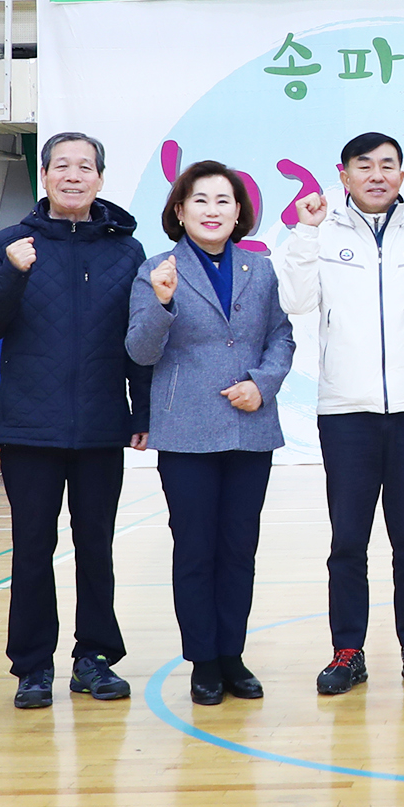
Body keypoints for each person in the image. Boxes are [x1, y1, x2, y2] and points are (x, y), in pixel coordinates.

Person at [0, 132, 151, 710]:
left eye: (85, 167)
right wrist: (13, 273)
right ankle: (32, 666)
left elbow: (138, 339)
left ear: (100, 178)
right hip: (28, 426)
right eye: (62, 166)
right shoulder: (7, 245)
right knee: (31, 547)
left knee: (96, 545)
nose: (74, 176)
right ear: (44, 176)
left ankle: (94, 658)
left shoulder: (128, 251)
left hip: (100, 425)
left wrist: (139, 410)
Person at [275, 132, 404, 695]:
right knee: (348, 539)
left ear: (403, 174)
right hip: (345, 410)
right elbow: (296, 300)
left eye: (389, 165)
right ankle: (347, 650)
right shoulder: (319, 234)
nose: (377, 175)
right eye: (364, 166)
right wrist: (305, 231)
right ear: (343, 174)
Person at [126, 161, 295, 705]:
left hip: (250, 429)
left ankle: (233, 655)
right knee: (195, 550)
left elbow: (281, 337)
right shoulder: (156, 269)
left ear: (240, 212)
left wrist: (262, 384)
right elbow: (140, 351)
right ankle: (202, 659)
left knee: (239, 548)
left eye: (224, 200)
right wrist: (164, 302)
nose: (213, 210)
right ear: (180, 210)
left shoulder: (260, 269)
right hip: (186, 432)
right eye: (200, 200)